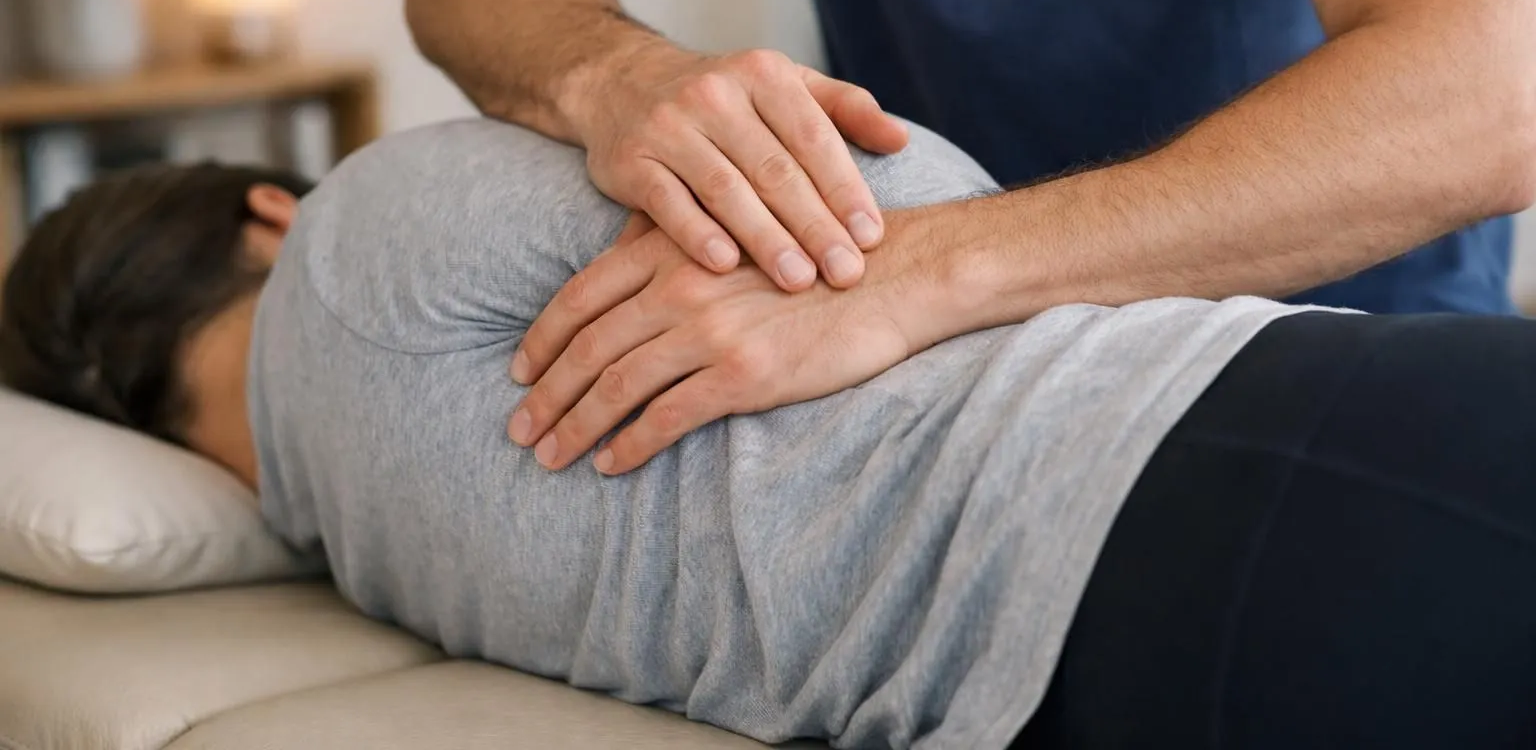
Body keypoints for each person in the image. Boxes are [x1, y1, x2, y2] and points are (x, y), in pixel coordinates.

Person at [4, 120, 1536, 749]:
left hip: (1067, 692)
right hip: (1204, 464)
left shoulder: (356, 557)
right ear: (264, 206)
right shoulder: (366, 226)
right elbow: (901, 185)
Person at [404, 0, 1536, 465]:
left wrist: (933, 268)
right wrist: (618, 75)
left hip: (1330, 352)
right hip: (935, 374)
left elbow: (1489, 90)